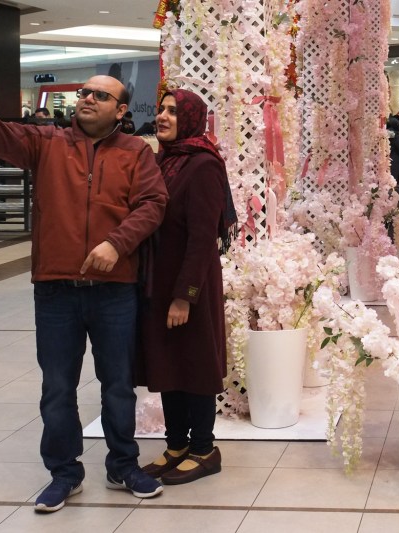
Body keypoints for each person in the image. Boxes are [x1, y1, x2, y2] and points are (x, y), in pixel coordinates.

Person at [0, 57, 169, 512]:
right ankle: (64, 473)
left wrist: (115, 244)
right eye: (85, 92)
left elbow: (152, 203)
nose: (87, 98)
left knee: (118, 384)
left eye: (100, 95)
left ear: (121, 111)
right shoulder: (44, 142)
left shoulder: (136, 153)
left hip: (113, 290)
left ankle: (124, 465)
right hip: (56, 290)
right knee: (58, 387)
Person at [139, 88, 237, 485]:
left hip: (190, 285)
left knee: (194, 366)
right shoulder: (166, 162)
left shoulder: (202, 166)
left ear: (192, 118)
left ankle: (204, 449)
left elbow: (201, 239)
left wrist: (185, 296)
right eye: (161, 109)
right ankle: (176, 445)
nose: (162, 116)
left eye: (173, 112)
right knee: (168, 364)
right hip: (159, 282)